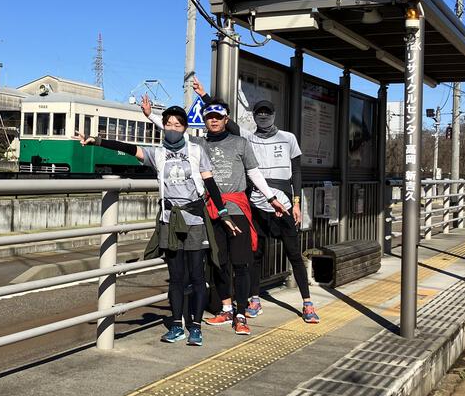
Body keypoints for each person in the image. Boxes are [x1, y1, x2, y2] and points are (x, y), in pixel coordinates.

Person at [76, 104, 237, 346]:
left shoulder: (196, 151)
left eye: (177, 124)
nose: (173, 128)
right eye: (169, 124)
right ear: (164, 127)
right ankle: (176, 325)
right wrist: (96, 141)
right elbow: (129, 148)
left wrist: (223, 213)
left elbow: (211, 184)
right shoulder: (157, 153)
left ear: (184, 128)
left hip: (194, 220)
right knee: (176, 277)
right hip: (169, 221)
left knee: (196, 275)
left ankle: (195, 326)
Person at [140, 95, 286, 336]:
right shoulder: (199, 145)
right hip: (210, 211)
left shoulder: (240, 143)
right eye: (209, 117)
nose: (214, 121)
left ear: (226, 119)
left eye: (218, 117)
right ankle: (226, 308)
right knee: (219, 262)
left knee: (241, 264)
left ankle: (241, 313)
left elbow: (255, 174)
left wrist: (272, 198)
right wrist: (149, 116)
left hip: (237, 208)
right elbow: (173, 129)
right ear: (205, 121)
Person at [191, 77, 320, 324]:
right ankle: (254, 299)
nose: (263, 117)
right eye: (259, 113)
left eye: (267, 113)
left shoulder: (288, 138)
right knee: (255, 253)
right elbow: (221, 118)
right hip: (256, 204)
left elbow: (297, 171)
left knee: (294, 253)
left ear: (274, 114)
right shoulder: (247, 137)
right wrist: (204, 95)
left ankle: (307, 303)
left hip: (283, 203)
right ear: (254, 116)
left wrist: (296, 201)